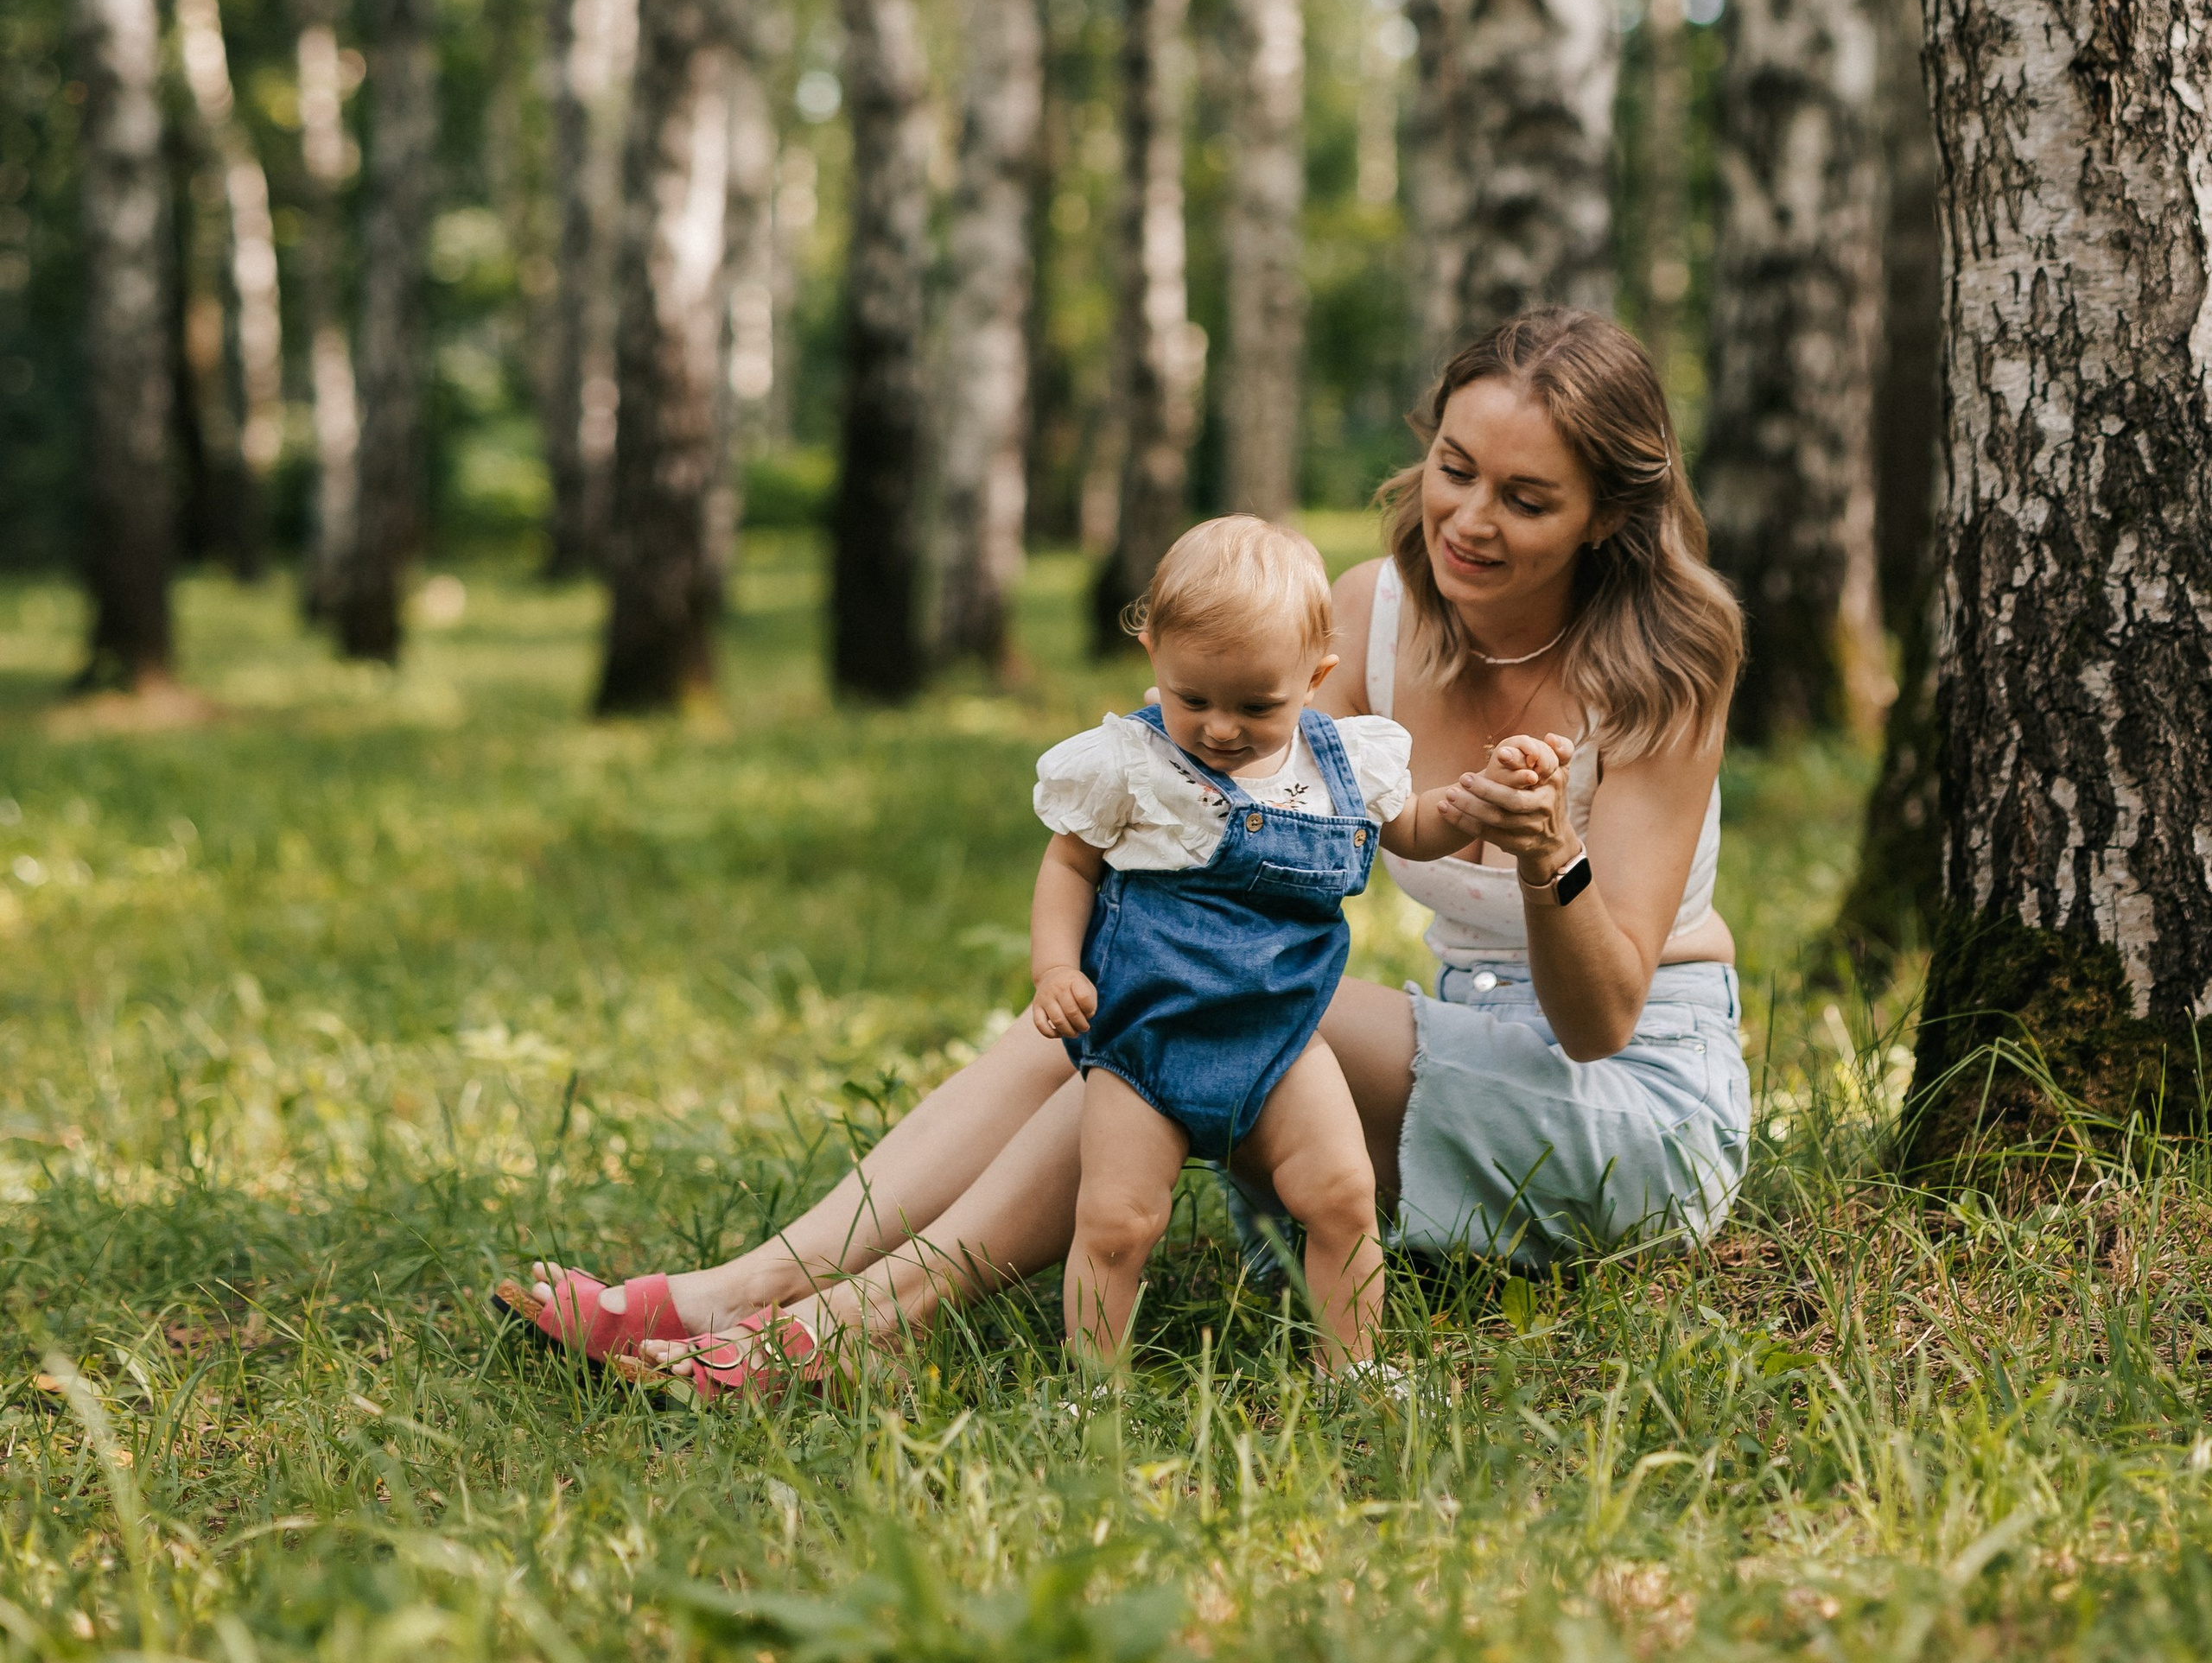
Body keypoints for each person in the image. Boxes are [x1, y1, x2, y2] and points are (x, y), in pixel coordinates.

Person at [502, 307, 1749, 1399]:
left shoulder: (1665, 669)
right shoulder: (1368, 615)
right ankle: (754, 1290)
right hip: (1454, 1040)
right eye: (1455, 469)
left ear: (1606, 518)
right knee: (1116, 1000)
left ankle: (850, 1326)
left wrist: (1550, 859)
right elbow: (1215, 776)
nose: (1470, 520)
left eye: (1526, 501)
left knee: (1171, 1006)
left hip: (1631, 1102)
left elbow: (1599, 1022)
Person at [1029, 511, 1522, 1374]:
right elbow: (1068, 868)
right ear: (1153, 654)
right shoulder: (1129, 766)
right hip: (1148, 1039)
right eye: (1193, 700)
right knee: (1116, 1220)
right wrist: (1054, 967)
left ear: (1315, 675)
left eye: (1257, 705)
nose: (1220, 728)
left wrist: (1471, 807)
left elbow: (1405, 827)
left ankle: (1352, 1368)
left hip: (1283, 1040)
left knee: (1340, 1197)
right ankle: (1092, 1392)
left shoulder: (1339, 764)